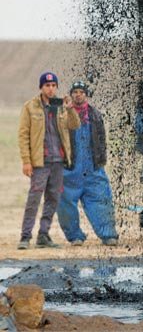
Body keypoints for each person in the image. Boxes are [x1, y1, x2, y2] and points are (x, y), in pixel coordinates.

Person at [17, 72, 81, 249]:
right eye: (47, 85)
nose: (51, 89)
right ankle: (25, 236)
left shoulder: (61, 106)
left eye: (53, 86)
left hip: (58, 161)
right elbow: (23, 136)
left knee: (53, 199)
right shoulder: (30, 107)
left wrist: (69, 108)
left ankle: (43, 235)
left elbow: (75, 125)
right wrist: (26, 161)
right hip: (40, 162)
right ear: (41, 87)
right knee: (34, 199)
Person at [56, 81, 119, 247]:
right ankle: (75, 236)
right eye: (75, 92)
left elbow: (101, 140)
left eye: (81, 92)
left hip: (93, 167)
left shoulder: (96, 115)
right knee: (65, 203)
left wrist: (100, 160)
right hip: (69, 168)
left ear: (86, 95)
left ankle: (108, 235)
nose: (78, 94)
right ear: (70, 95)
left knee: (101, 199)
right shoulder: (62, 115)